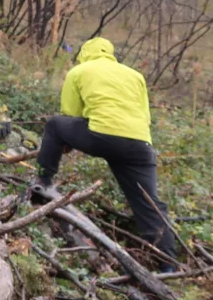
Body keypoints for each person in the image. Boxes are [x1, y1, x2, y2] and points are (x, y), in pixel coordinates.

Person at [33, 37, 177, 271]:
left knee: (54, 125)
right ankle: (167, 266)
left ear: (83, 54)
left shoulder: (79, 71)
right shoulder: (135, 75)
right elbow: (144, 115)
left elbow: (71, 113)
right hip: (140, 144)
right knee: (149, 203)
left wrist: (66, 141)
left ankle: (41, 181)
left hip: (101, 136)